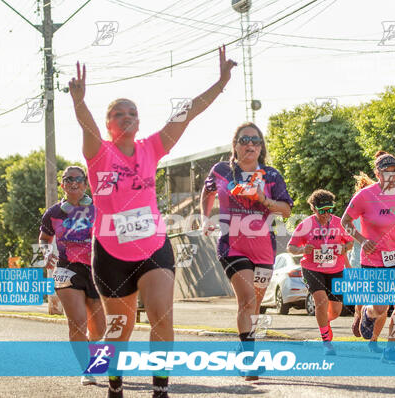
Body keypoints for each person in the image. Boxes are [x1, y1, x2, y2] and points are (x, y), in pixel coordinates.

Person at [69, 45, 236, 398]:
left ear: (139, 121)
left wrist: (221, 81)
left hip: (153, 248)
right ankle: (115, 384)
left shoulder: (151, 148)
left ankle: (160, 390)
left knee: (162, 316)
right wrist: (79, 101)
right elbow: (85, 125)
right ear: (109, 123)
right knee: (120, 327)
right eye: (118, 113)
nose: (127, 116)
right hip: (111, 254)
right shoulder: (99, 153)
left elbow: (186, 113)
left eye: (133, 112)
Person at [201, 122, 292, 380]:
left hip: (264, 249)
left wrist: (263, 199)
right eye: (244, 140)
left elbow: (285, 210)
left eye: (255, 140)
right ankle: (250, 360)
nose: (250, 144)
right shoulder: (221, 171)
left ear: (261, 146)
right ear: (235, 145)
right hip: (232, 246)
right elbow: (206, 193)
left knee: (256, 306)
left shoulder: (271, 176)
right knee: (247, 300)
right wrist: (204, 216)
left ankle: (243, 350)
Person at [342, 151, 395, 364]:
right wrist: (361, 239)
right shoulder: (365, 196)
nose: (393, 176)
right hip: (374, 259)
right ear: (378, 173)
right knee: (380, 306)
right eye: (388, 172)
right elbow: (345, 222)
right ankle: (368, 314)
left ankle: (390, 349)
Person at [39, 166, 106, 386]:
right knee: (76, 322)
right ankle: (86, 369)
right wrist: (47, 252)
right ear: (63, 185)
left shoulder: (99, 208)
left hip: (97, 270)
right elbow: (44, 237)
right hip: (66, 270)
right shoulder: (53, 213)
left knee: (100, 328)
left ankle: (89, 349)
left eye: (78, 179)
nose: (74, 182)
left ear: (86, 184)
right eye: (68, 179)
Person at [287, 190, 353, 355]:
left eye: (329, 209)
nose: (326, 214)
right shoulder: (306, 225)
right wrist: (302, 249)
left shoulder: (338, 223)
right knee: (321, 301)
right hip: (312, 268)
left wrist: (344, 248)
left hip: (335, 268)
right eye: (322, 210)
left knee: (336, 310)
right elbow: (291, 247)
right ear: (314, 209)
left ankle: (324, 322)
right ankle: (326, 342)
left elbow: (350, 242)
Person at [348, 172, 388, 352]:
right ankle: (359, 315)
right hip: (361, 261)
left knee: (383, 303)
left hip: (385, 261)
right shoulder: (355, 213)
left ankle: (373, 339)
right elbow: (349, 235)